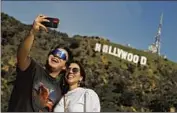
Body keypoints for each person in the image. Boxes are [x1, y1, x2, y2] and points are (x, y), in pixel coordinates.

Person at [7, 14, 72, 112]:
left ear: (65, 67)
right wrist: (32, 32)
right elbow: (21, 55)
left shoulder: (59, 92)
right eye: (54, 53)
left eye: (62, 56)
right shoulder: (32, 68)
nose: (56, 56)